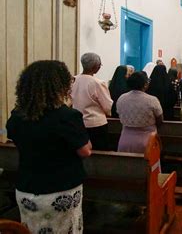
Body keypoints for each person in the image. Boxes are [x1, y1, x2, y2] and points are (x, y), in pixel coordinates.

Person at [6, 60, 92, 234]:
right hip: (61, 187)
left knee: (31, 228)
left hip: (27, 186)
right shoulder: (67, 116)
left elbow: (18, 140)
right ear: (59, 86)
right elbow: (85, 151)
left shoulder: (17, 116)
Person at [71, 52, 113, 150]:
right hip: (95, 124)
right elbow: (107, 106)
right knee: (99, 153)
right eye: (99, 65)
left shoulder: (73, 80)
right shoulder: (97, 83)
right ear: (95, 66)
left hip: (77, 122)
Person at [117, 72, 163, 153]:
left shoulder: (121, 98)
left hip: (125, 139)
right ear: (145, 85)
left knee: (126, 164)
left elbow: (119, 114)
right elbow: (160, 119)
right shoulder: (152, 100)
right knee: (148, 164)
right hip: (147, 140)